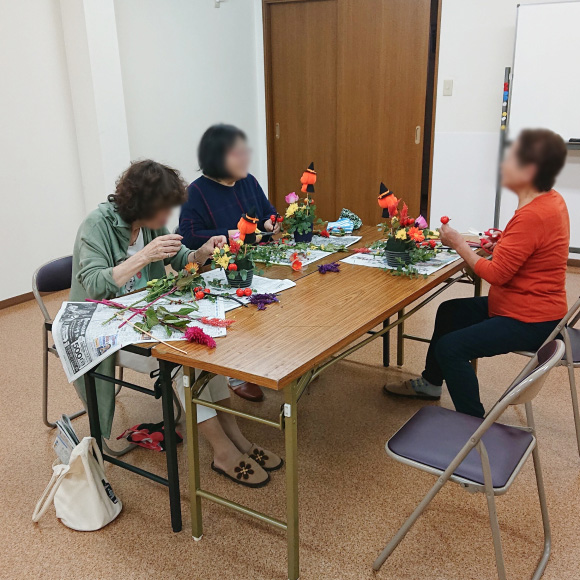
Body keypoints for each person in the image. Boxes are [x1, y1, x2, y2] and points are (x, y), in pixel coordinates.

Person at [71, 160, 281, 487]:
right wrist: (142, 257)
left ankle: (237, 437)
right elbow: (95, 284)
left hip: (146, 311)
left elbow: (180, 257)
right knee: (184, 359)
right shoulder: (97, 225)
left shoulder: (150, 224)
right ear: (143, 203)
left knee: (209, 346)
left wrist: (201, 252)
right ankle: (222, 449)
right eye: (163, 209)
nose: (167, 217)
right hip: (105, 324)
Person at [385, 128, 569, 418]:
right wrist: (502, 244)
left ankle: (473, 427)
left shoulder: (534, 213)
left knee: (451, 348)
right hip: (524, 306)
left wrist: (459, 243)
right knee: (449, 312)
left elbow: (496, 274)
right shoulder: (549, 199)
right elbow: (527, 250)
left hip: (531, 320)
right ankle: (431, 383)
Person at [180, 124, 280, 403]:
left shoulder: (248, 181)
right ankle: (237, 374)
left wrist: (270, 221)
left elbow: (268, 213)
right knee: (240, 311)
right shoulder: (197, 192)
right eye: (237, 154)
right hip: (222, 267)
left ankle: (276, 357)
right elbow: (187, 235)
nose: (245, 159)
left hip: (259, 259)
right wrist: (228, 235)